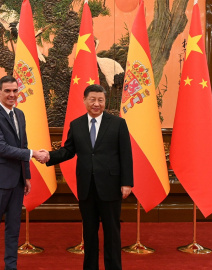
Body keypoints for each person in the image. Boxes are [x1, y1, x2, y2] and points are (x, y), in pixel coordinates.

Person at [46, 84, 134, 270]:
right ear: (84, 100)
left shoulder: (118, 123)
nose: (96, 104)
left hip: (111, 186)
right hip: (86, 188)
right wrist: (48, 156)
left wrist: (127, 182)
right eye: (92, 100)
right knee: (89, 234)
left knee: (112, 233)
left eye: (100, 100)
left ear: (105, 101)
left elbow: (126, 154)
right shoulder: (76, 125)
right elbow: (68, 151)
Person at [0, 75, 48, 270]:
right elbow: (2, 148)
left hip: (17, 181)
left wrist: (26, 176)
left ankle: (11, 266)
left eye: (14, 91)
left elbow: (22, 145)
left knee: (13, 228)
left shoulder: (20, 114)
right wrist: (34, 154)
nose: (12, 95)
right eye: (7, 91)